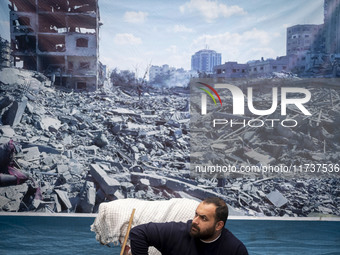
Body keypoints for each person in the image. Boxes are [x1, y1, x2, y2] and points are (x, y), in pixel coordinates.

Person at [128, 197, 248, 255]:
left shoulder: (235, 250)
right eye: (196, 214)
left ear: (218, 225)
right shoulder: (177, 233)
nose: (195, 221)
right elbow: (138, 233)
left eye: (203, 218)